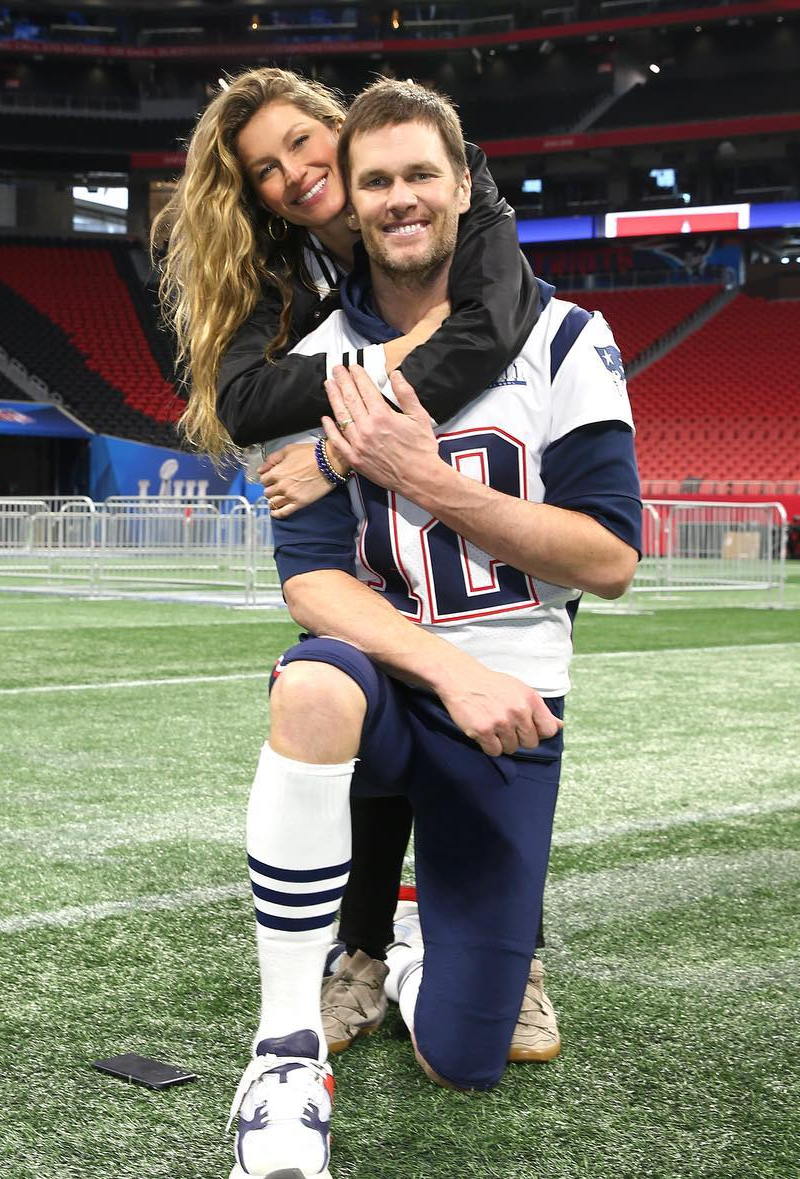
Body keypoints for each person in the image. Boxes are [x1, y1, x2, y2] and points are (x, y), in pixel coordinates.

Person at [227, 79, 641, 1179]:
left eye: (420, 175)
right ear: (350, 206)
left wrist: (425, 479)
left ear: (463, 184)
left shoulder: (562, 336)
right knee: (310, 683)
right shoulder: (314, 363)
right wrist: (447, 669)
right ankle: (280, 1054)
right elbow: (312, 587)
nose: (400, 199)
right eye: (377, 183)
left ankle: (420, 961)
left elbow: (606, 561)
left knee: (467, 1057)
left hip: (511, 711)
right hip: (398, 683)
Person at [153, 67, 560, 1061]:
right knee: (357, 691)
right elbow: (245, 404)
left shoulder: (452, 185)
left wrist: (340, 441)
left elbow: (494, 322)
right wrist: (386, 358)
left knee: (495, 706)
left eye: (301, 142)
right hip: (374, 504)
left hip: (475, 477)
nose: (294, 173)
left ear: (338, 128)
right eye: (264, 170)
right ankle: (364, 950)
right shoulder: (280, 269)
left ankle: (514, 954)